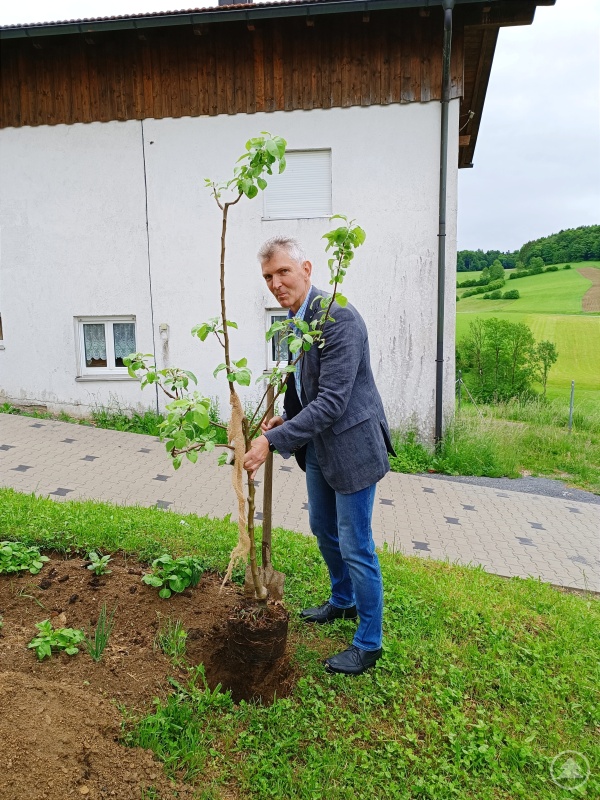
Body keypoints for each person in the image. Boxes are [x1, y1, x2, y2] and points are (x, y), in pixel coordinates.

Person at [243, 236, 394, 676]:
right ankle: (343, 600)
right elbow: (303, 385)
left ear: (306, 269)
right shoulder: (295, 321)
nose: (275, 283)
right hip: (319, 447)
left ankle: (369, 643)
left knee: (355, 542)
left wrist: (273, 441)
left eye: (283, 272)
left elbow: (331, 401)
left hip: (352, 448)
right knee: (322, 528)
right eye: (268, 277)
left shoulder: (337, 318)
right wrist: (285, 419)